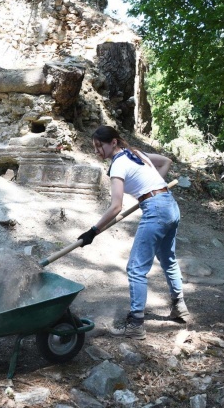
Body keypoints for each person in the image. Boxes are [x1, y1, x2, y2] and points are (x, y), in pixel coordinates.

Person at [78, 125, 189, 340]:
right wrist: (154, 187)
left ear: (114, 142)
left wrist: (93, 231)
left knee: (136, 268)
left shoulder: (118, 164)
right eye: (94, 147)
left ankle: (136, 323)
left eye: (99, 146)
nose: (97, 151)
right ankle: (180, 307)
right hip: (169, 205)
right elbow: (166, 162)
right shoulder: (135, 154)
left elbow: (115, 207)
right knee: (168, 259)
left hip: (156, 210)